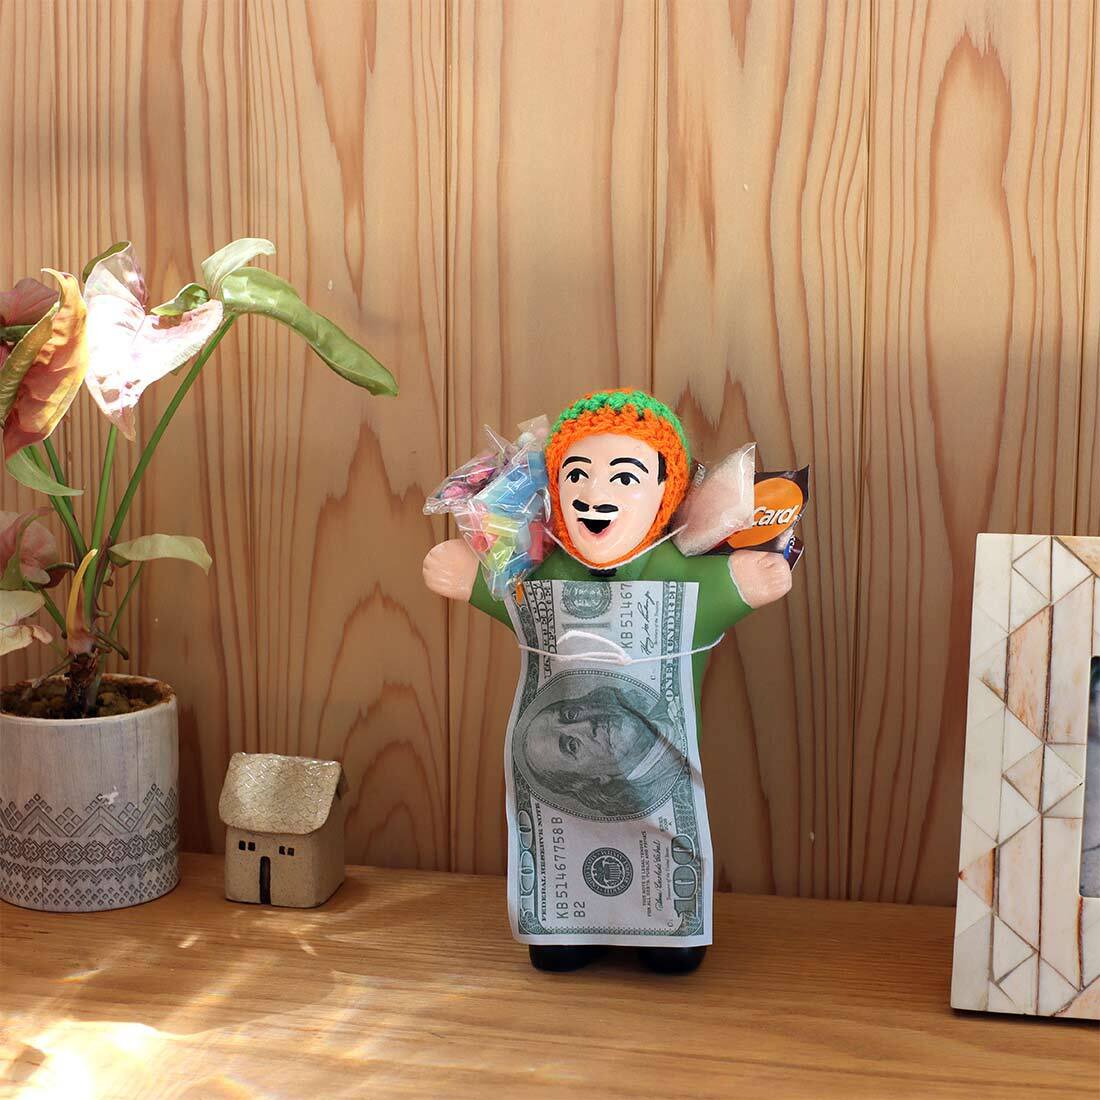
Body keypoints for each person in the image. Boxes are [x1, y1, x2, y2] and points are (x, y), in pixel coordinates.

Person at [423, 389, 793, 974]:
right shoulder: (543, 567)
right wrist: (472, 579)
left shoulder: (677, 572)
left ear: (667, 492)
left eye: (623, 478)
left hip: (660, 771)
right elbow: (512, 600)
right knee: (564, 835)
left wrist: (741, 584)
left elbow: (721, 593)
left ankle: (669, 931)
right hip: (568, 801)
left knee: (661, 836)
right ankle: (569, 930)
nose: (595, 496)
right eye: (578, 475)